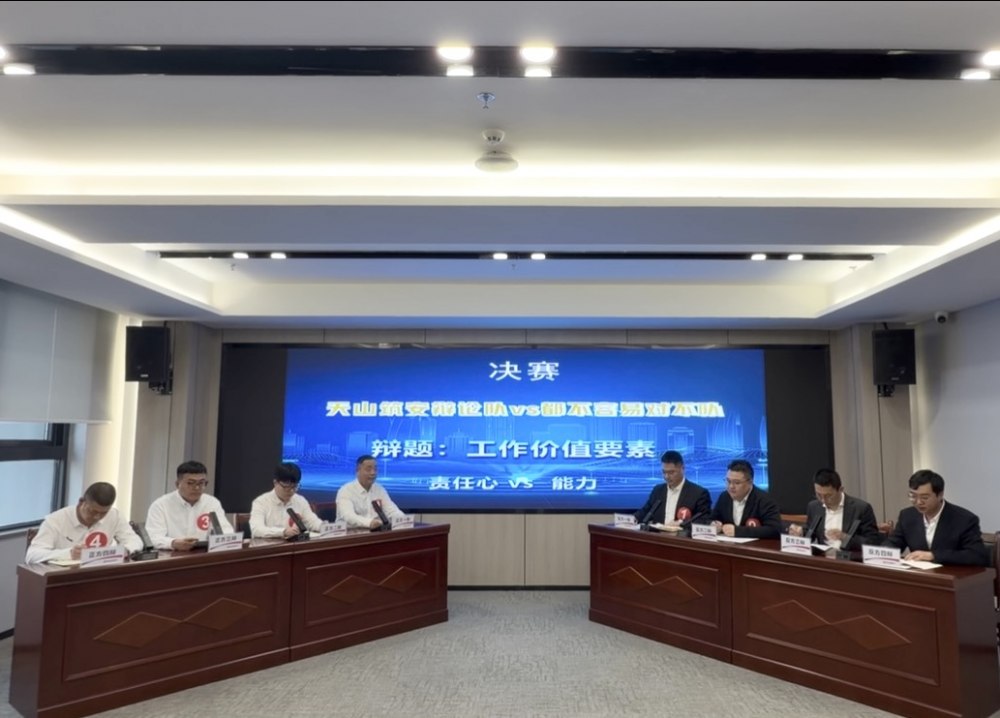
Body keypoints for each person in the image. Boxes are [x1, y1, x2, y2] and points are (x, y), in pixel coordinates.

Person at [883, 469, 988, 566]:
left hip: (952, 576)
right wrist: (882, 552)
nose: (918, 502)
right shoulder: (907, 516)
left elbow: (977, 555)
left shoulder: (964, 519)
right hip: (920, 576)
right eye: (913, 496)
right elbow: (893, 543)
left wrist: (933, 555)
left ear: (940, 495)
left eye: (924, 497)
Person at [26, 482, 142, 564]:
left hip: (101, 574)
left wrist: (124, 551)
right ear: (81, 502)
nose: (97, 517)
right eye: (93, 511)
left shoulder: (114, 516)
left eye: (103, 513)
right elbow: (32, 555)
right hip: (65, 578)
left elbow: (135, 541)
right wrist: (69, 554)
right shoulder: (55, 520)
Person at [145, 460, 233, 551]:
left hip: (203, 553)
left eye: (201, 483)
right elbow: (153, 537)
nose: (197, 488)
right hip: (172, 554)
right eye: (191, 483)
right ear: (177, 484)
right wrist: (173, 543)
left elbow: (226, 531)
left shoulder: (212, 503)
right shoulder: (160, 505)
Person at [788, 468, 880, 550]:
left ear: (840, 489)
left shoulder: (861, 509)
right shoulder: (814, 507)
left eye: (828, 496)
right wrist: (800, 533)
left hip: (848, 559)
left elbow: (873, 542)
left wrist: (844, 537)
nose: (823, 500)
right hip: (823, 558)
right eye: (819, 495)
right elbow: (811, 533)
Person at [633, 450, 711, 526]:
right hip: (657, 534)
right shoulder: (658, 490)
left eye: (671, 472)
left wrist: (681, 524)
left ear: (682, 468)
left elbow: (704, 520)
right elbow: (644, 512)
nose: (666, 476)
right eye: (664, 472)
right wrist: (632, 519)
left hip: (681, 534)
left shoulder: (699, 493)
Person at [709, 459, 781, 538]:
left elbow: (774, 529)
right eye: (728, 481)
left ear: (750, 482)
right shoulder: (724, 497)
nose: (731, 486)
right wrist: (714, 524)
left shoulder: (764, 500)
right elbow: (712, 519)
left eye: (737, 482)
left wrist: (738, 531)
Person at [249, 463, 323, 539]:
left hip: (295, 544)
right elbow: (256, 529)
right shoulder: (261, 502)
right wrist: (283, 532)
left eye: (294, 486)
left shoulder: (300, 501)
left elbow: (312, 522)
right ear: (275, 483)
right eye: (286, 487)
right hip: (269, 544)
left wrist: (324, 527)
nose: (291, 491)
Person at [336, 454, 405, 529]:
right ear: (357, 470)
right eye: (368, 470)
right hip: (350, 532)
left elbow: (391, 511)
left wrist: (404, 520)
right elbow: (348, 516)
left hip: (376, 531)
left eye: (375, 469)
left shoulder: (379, 489)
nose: (373, 473)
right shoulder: (345, 491)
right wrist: (370, 523)